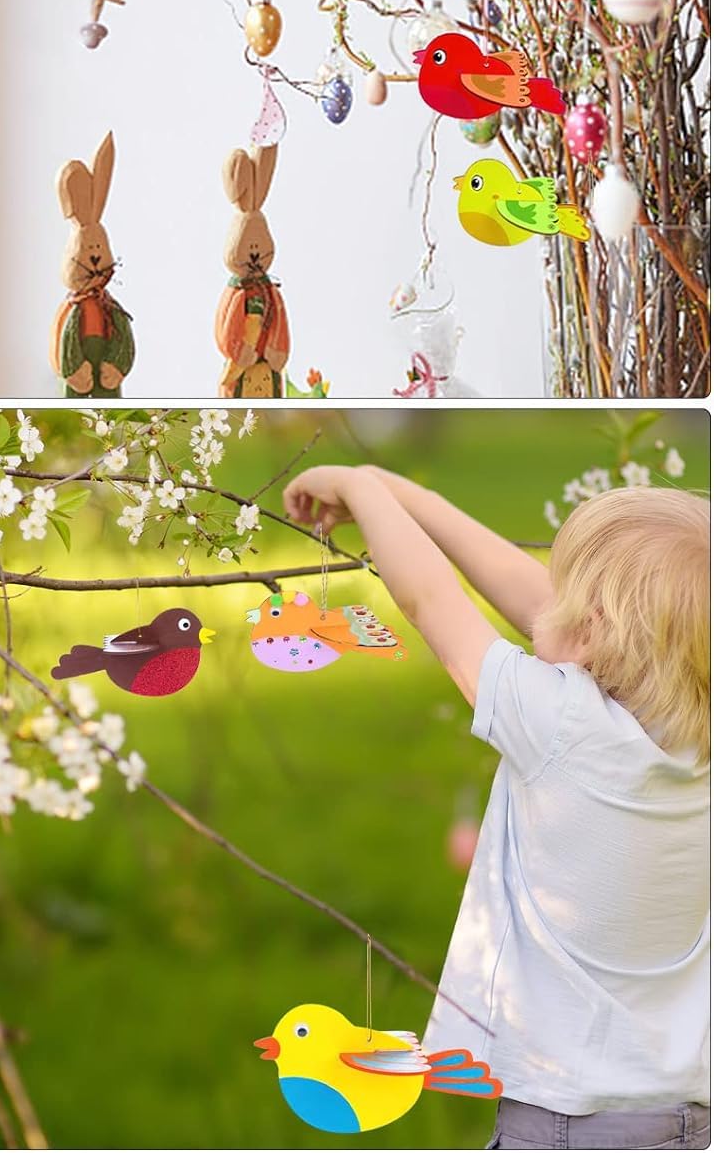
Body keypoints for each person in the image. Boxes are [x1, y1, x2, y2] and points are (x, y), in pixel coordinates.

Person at [282, 465, 710, 1150]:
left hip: (566, 1127)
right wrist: (402, 496)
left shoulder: (563, 727)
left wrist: (359, 484)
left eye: (567, 595)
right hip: (683, 1122)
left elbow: (427, 601)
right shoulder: (695, 736)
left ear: (594, 633)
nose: (547, 602)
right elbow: (540, 608)